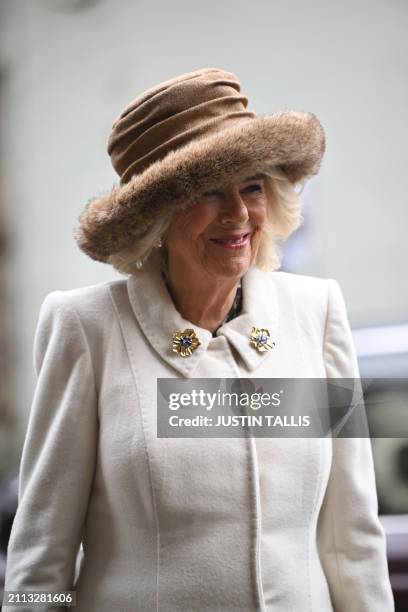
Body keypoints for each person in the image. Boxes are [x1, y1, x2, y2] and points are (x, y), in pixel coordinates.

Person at [3, 68, 394, 611]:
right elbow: (42, 560)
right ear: (156, 217)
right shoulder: (87, 328)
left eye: (252, 187)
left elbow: (352, 539)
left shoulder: (315, 311)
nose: (237, 214)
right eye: (208, 191)